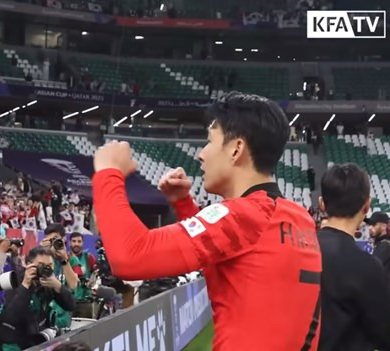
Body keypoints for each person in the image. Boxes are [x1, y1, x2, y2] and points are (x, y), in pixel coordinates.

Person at [91, 92, 322, 351]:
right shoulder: (297, 216)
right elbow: (229, 252)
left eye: (210, 141)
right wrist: (183, 205)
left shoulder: (247, 215)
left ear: (236, 149)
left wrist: (108, 173)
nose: (201, 154)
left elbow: (130, 256)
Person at [317, 164, 390, 350]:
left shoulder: (296, 251)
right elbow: (384, 334)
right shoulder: (368, 266)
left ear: (322, 204)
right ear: (367, 205)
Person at [0, 247, 74, 350]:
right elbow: (11, 318)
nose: (45, 269)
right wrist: (25, 286)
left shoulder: (49, 283)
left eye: (49, 265)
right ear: (29, 264)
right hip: (13, 343)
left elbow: (71, 305)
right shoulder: (14, 281)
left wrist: (59, 287)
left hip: (36, 341)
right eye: (41, 265)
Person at [40, 224, 78, 290]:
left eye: (55, 239)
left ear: (64, 239)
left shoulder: (72, 259)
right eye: (50, 240)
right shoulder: (43, 257)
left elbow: (73, 286)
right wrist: (43, 252)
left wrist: (64, 259)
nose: (54, 243)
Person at [68, 233, 97, 318]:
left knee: (86, 328)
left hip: (85, 301)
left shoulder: (89, 257)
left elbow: (96, 273)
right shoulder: (65, 258)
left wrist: (93, 282)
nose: (76, 244)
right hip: (69, 301)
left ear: (83, 243)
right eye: (74, 241)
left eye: (79, 241)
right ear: (69, 243)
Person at [368, 211, 390, 296]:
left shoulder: (385, 245)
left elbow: (373, 270)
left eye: (374, 224)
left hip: (385, 297)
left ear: (384, 226)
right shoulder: (382, 244)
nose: (370, 227)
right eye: (369, 224)